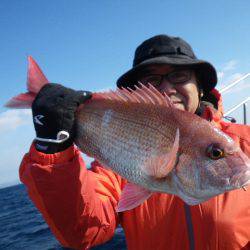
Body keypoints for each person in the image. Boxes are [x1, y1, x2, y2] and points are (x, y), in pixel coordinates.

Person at [20, 35, 250, 250]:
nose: (167, 89)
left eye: (179, 76)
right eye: (152, 80)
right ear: (136, 94)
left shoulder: (246, 141)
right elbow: (83, 232)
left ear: (200, 88)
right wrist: (52, 148)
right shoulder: (118, 166)